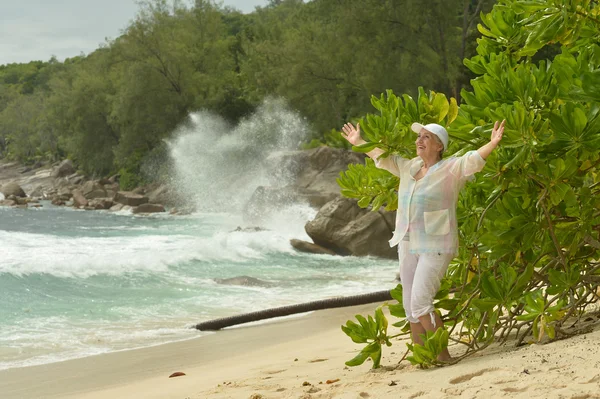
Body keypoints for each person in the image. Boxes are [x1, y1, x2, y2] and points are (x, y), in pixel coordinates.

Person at [341, 119, 505, 361]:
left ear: (439, 146)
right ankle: (422, 356)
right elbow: (382, 157)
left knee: (420, 303)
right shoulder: (408, 166)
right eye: (419, 136)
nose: (419, 140)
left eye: (426, 137)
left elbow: (471, 160)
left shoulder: (449, 169)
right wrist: (359, 142)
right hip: (406, 241)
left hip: (436, 245)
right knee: (410, 308)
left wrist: (492, 143)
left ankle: (443, 356)